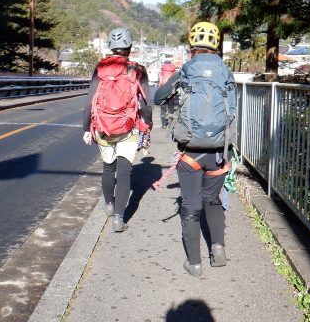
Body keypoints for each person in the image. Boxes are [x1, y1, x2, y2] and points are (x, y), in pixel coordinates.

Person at [154, 21, 234, 277]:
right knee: (212, 199)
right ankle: (218, 249)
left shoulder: (186, 70)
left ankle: (195, 264)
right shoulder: (226, 72)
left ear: (192, 46)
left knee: (190, 203)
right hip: (220, 152)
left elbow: (158, 97)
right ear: (216, 46)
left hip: (190, 151)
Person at [83, 27, 153, 232]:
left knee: (108, 167)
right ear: (130, 47)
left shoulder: (101, 67)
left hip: (103, 126)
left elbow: (90, 100)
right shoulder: (137, 69)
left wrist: (86, 127)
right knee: (124, 173)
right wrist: (148, 124)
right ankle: (119, 219)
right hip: (127, 127)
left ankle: (109, 204)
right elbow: (146, 103)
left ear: (110, 47)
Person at [158, 61, 177, 129]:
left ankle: (164, 124)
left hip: (163, 91)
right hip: (171, 91)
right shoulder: (174, 72)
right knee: (171, 108)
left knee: (163, 109)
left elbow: (160, 82)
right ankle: (170, 124)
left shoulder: (161, 72)